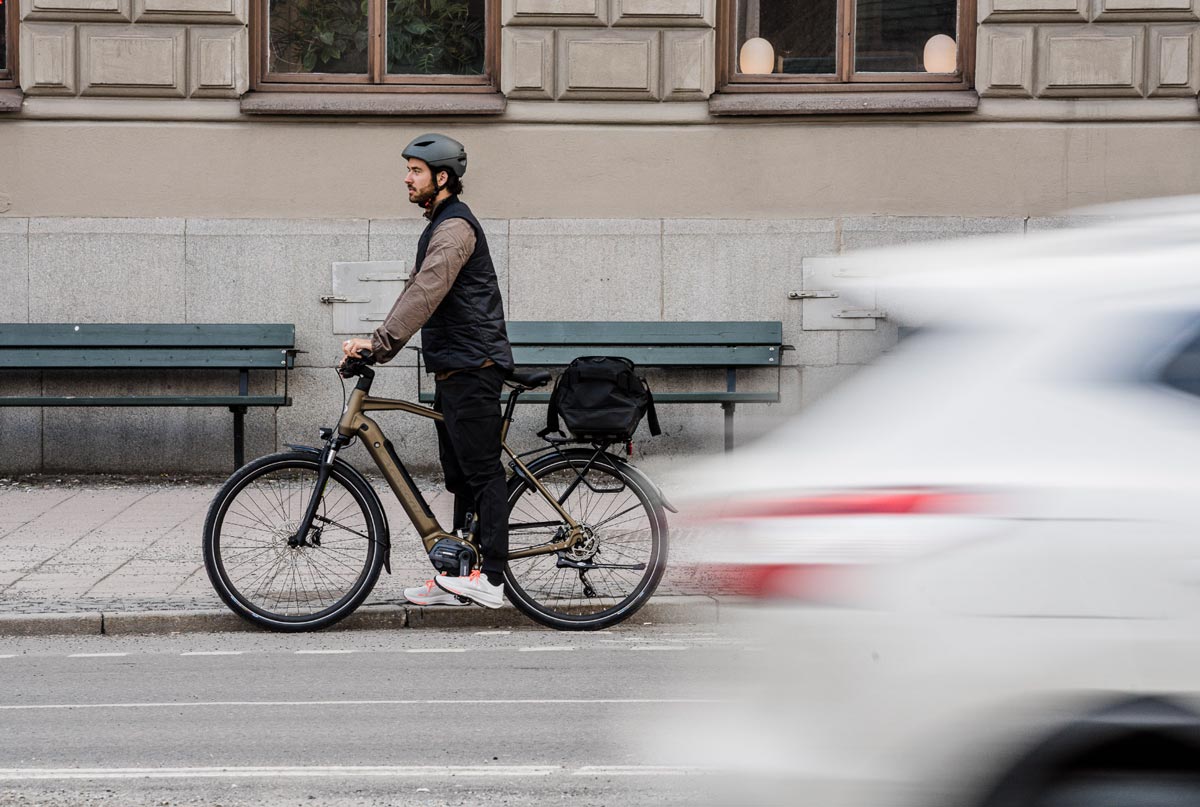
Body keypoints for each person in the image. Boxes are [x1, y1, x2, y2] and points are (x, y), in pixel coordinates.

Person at [341, 133, 513, 609]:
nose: (406, 177)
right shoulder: (441, 224)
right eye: (408, 169)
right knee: (460, 477)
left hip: (474, 365)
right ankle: (458, 571)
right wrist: (374, 340)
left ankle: (493, 580)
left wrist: (378, 344)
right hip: (455, 368)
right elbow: (415, 290)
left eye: (415, 170)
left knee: (482, 474)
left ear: (442, 178)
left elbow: (427, 292)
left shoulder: (456, 228)